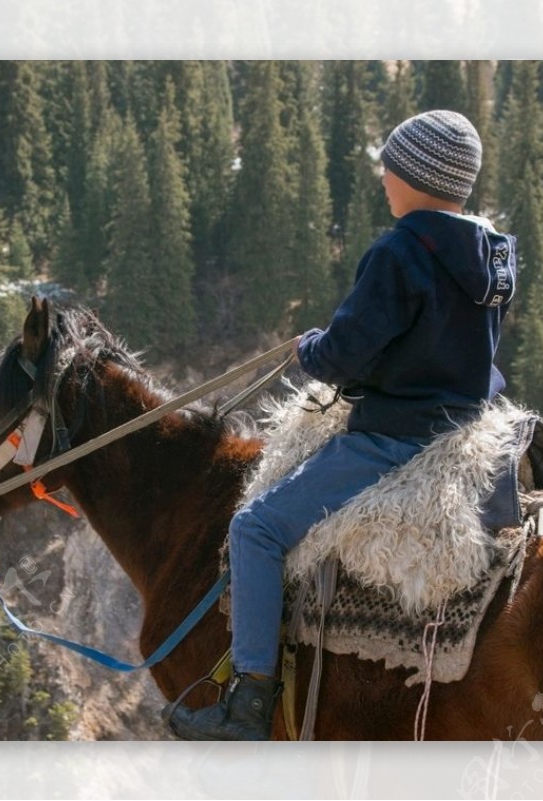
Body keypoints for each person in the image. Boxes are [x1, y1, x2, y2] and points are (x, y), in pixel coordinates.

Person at [164, 109, 518, 741]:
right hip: (467, 427)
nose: (383, 175)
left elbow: (343, 356)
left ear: (418, 175)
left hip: (397, 436)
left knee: (255, 528)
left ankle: (248, 703)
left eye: (393, 164)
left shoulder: (400, 251)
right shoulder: (490, 252)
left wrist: (310, 350)